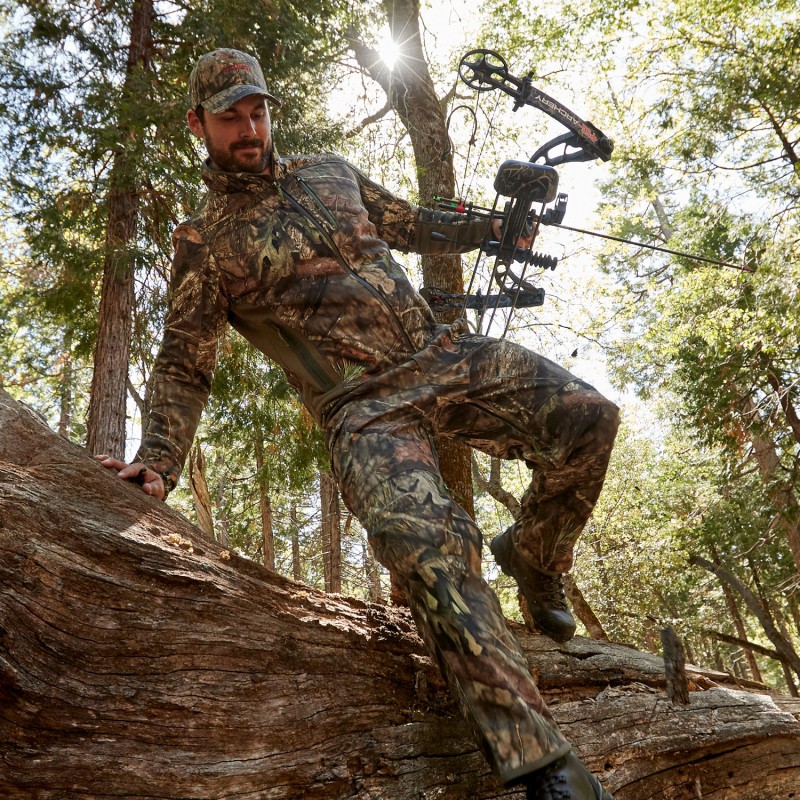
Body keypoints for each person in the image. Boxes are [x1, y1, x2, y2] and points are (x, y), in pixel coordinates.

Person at [97, 48, 619, 799]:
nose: (249, 128)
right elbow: (185, 360)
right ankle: (546, 767)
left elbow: (413, 223)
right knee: (428, 545)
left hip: (444, 355)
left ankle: (535, 557)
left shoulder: (331, 172)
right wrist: (160, 458)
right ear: (197, 125)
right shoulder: (205, 240)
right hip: (364, 408)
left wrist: (494, 230)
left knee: (589, 419)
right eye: (229, 117)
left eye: (257, 110)